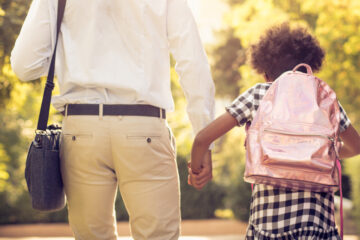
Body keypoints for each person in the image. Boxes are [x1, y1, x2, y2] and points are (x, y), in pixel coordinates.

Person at [11, 0, 215, 239]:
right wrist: (205, 139)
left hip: (82, 129)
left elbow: (25, 66)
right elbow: (192, 63)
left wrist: (75, 61)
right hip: (144, 127)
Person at [188, 23, 360, 239]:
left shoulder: (258, 93)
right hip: (318, 226)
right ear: (310, 66)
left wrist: (197, 171)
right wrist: (321, 153)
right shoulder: (322, 97)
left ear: (266, 72)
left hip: (268, 226)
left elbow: (203, 138)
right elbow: (356, 146)